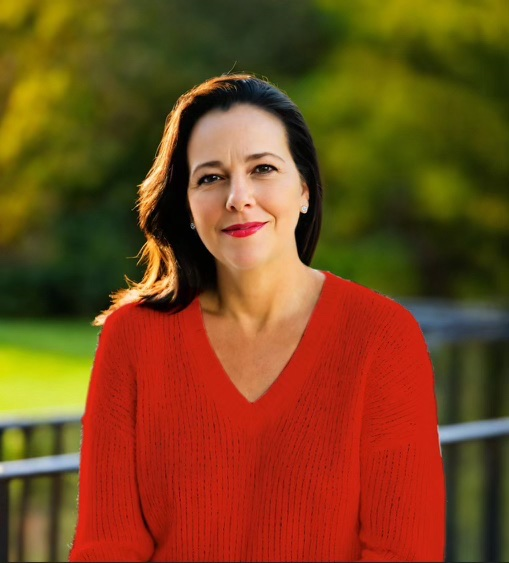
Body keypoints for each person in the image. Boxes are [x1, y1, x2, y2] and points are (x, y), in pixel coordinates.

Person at [68, 73, 446, 562]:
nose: (237, 197)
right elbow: (107, 548)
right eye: (210, 177)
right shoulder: (133, 338)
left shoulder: (383, 338)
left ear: (305, 190)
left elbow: (404, 552)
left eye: (263, 168)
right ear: (186, 203)